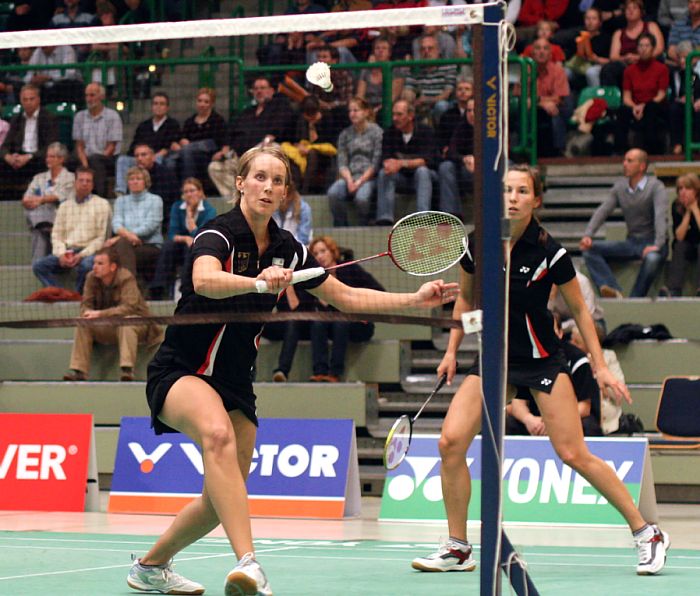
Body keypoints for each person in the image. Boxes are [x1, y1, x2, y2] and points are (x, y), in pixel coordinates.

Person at [127, 145, 457, 596]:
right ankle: (249, 563)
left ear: (285, 193)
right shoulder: (218, 233)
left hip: (235, 382)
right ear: (240, 183)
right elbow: (204, 279)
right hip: (182, 370)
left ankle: (150, 566)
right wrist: (259, 282)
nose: (268, 187)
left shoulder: (290, 249)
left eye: (277, 181)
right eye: (259, 177)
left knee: (219, 498)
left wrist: (414, 301)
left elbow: (349, 298)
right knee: (217, 436)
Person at [412, 164, 670, 577]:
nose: (512, 197)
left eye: (521, 191)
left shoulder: (551, 252)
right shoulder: (477, 244)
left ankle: (647, 532)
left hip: (541, 360)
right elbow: (463, 298)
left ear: (536, 199)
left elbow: (582, 312)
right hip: (494, 357)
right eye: (506, 190)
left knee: (572, 452)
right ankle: (458, 546)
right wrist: (452, 350)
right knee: (450, 442)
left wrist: (600, 366)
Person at [62, 247, 164, 382]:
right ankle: (79, 372)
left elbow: (130, 307)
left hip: (139, 325)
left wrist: (100, 314)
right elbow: (85, 304)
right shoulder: (91, 278)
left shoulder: (126, 277)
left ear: (113, 267)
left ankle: (127, 371)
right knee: (83, 323)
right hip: (109, 325)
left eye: (100, 264)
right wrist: (87, 313)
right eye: (94, 263)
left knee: (127, 323)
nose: (95, 267)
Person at [580, 148, 668, 298]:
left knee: (652, 259)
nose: (624, 164)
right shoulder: (620, 187)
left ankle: (635, 298)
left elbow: (661, 217)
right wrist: (588, 235)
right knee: (589, 250)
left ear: (642, 166)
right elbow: (603, 210)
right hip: (632, 241)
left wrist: (657, 244)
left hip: (652, 241)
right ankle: (612, 288)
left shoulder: (656, 187)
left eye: (629, 161)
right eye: (624, 160)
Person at [506, 314, 603, 437]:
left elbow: (584, 407)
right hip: (535, 421)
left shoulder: (577, 359)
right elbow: (517, 404)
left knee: (588, 426)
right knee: (507, 424)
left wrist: (552, 421)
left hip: (566, 418)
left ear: (560, 333)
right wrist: (529, 419)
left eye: (549, 331)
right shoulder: (526, 356)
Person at [307, 236, 385, 382]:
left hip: (359, 325)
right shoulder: (314, 277)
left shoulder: (349, 268)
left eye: (323, 251)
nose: (320, 256)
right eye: (316, 254)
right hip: (330, 327)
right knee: (317, 324)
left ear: (332, 251)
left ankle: (335, 373)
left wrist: (362, 310)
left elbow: (378, 290)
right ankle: (320, 372)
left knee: (340, 322)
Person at [208, 76, 294, 199]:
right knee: (214, 167)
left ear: (271, 91)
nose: (259, 91)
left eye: (263, 88)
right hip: (240, 157)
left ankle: (259, 197)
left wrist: (269, 138)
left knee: (274, 149)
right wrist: (225, 148)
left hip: (263, 152)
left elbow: (283, 125)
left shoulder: (280, 107)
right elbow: (231, 132)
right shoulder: (246, 112)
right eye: (256, 88)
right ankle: (239, 201)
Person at [32, 167, 111, 293]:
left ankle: (77, 295)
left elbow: (101, 238)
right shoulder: (64, 206)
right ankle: (61, 293)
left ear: (92, 184)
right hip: (68, 251)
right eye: (81, 180)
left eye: (88, 181)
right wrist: (62, 254)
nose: (84, 183)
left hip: (90, 251)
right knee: (39, 266)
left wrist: (81, 255)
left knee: (86, 266)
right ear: (75, 183)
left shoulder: (102, 204)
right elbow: (57, 235)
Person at [149, 178, 217, 300]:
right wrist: (186, 238)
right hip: (180, 245)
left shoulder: (209, 210)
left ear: (200, 192)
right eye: (186, 192)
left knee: (191, 249)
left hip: (201, 246)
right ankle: (159, 288)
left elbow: (204, 235)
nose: (189, 194)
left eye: (192, 191)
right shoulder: (177, 207)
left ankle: (185, 288)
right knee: (168, 246)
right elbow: (172, 234)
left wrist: (191, 221)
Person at [375, 99, 437, 226]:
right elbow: (385, 158)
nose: (395, 118)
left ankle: (422, 218)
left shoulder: (426, 132)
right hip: (401, 177)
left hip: (426, 177)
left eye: (399, 114)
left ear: (410, 116)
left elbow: (428, 160)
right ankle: (385, 218)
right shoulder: (389, 133)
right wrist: (388, 164)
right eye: (394, 114)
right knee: (383, 173)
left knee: (422, 171)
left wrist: (401, 163)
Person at [105, 166, 163, 289]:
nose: (134, 181)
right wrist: (128, 236)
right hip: (125, 244)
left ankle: (127, 288)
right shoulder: (121, 201)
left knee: (120, 246)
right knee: (112, 249)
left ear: (145, 182)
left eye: (138, 178)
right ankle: (130, 287)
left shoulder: (155, 200)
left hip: (148, 245)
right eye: (131, 179)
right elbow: (116, 224)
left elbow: (150, 226)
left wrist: (121, 237)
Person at [328, 97, 383, 226]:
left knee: (362, 198)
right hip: (349, 177)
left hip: (369, 178)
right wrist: (349, 180)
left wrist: (359, 182)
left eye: (356, 110)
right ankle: (341, 226)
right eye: (350, 111)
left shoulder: (377, 132)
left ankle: (363, 225)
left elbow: (375, 163)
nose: (352, 114)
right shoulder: (344, 134)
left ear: (366, 112)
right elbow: (342, 162)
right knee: (333, 193)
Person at [115, 92, 181, 195]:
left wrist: (154, 155)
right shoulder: (143, 125)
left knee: (158, 159)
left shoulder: (173, 124)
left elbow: (170, 146)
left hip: (159, 158)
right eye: (155, 103)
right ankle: (121, 192)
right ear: (152, 106)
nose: (158, 106)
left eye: (162, 104)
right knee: (122, 160)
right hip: (140, 157)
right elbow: (134, 146)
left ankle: (153, 191)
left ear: (167, 107)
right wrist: (140, 156)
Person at [0, 84, 58, 200]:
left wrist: (29, 157)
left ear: (38, 100)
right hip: (18, 159)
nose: (28, 102)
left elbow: (50, 146)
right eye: (25, 99)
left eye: (31, 99)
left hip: (38, 159)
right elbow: (5, 146)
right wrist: (7, 156)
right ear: (21, 101)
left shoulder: (48, 118)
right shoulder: (16, 119)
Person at [613, 33, 669, 154]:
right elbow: (626, 96)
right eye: (641, 46)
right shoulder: (629, 70)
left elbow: (661, 94)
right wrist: (634, 107)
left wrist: (644, 106)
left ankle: (652, 150)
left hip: (654, 104)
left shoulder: (661, 68)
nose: (643, 49)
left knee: (651, 109)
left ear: (653, 48)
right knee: (622, 111)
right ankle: (620, 151)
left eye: (647, 46)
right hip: (635, 105)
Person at [21, 142, 75, 262]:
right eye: (47, 156)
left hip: (61, 219)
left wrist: (40, 200)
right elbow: (26, 199)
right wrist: (36, 201)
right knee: (34, 214)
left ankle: (46, 227)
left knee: (38, 227)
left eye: (51, 156)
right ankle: (46, 227)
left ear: (61, 159)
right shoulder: (38, 178)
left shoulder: (70, 178)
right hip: (42, 220)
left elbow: (59, 197)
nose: (47, 159)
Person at [600, 0, 665, 90]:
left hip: (648, 61)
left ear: (641, 12)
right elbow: (613, 56)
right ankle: (612, 99)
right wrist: (626, 58)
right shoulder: (619, 33)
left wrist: (640, 57)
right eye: (628, 9)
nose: (630, 11)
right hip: (626, 65)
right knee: (609, 69)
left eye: (634, 8)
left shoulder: (651, 26)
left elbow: (659, 48)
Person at [72, 82, 123, 197]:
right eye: (87, 95)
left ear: (102, 96)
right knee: (68, 161)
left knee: (96, 161)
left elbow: (111, 146)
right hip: (85, 157)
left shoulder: (113, 116)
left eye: (92, 95)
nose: (89, 99)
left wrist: (95, 160)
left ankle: (100, 197)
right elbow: (79, 145)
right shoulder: (79, 117)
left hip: (108, 158)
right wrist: (85, 164)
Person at [168, 87, 227, 185]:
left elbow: (224, 141)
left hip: (209, 152)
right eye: (200, 101)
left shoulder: (218, 120)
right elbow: (182, 138)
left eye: (206, 102)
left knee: (187, 150)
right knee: (171, 161)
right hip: (191, 153)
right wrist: (181, 142)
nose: (202, 104)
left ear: (212, 104)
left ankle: (188, 186)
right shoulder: (189, 121)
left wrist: (222, 152)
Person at [281, 95, 337, 193]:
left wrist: (315, 127)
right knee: (290, 158)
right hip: (301, 153)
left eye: (313, 115)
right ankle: (295, 191)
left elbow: (330, 144)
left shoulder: (327, 118)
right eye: (308, 116)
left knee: (312, 154)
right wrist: (298, 145)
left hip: (322, 155)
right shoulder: (298, 119)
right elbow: (291, 139)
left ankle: (304, 191)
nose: (311, 118)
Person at [659, 173, 700, 297]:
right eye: (680, 189)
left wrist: (695, 209)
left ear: (696, 191)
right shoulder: (676, 206)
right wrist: (687, 212)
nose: (683, 192)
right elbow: (679, 236)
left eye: (687, 188)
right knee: (679, 246)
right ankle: (673, 289)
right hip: (687, 246)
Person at [401, 33, 457, 123]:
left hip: (441, 105)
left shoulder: (448, 66)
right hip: (420, 106)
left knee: (441, 106)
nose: (426, 52)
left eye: (430, 48)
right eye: (423, 49)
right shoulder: (415, 67)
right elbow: (408, 90)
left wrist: (426, 100)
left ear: (438, 50)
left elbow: (446, 94)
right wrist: (410, 97)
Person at [531, 38, 572, 157]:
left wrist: (536, 100)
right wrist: (541, 102)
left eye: (545, 48)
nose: (541, 52)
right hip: (535, 108)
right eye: (538, 48)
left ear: (550, 54)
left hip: (556, 107)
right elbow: (521, 97)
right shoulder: (526, 70)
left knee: (555, 111)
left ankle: (557, 152)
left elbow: (558, 98)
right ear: (533, 53)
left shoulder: (558, 70)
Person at [438, 96, 474, 220]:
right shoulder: (461, 127)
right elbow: (451, 152)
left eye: (475, 110)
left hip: (488, 172)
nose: (471, 114)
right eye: (469, 111)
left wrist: (479, 161)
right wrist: (464, 159)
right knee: (445, 166)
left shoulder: (492, 130)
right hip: (465, 172)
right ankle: (451, 216)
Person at [356, 36, 405, 118]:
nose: (380, 51)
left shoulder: (396, 70)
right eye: (377, 48)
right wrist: (365, 110)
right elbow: (360, 95)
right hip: (367, 108)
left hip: (386, 107)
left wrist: (377, 110)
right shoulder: (366, 70)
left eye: (384, 48)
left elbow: (392, 97)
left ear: (389, 53)